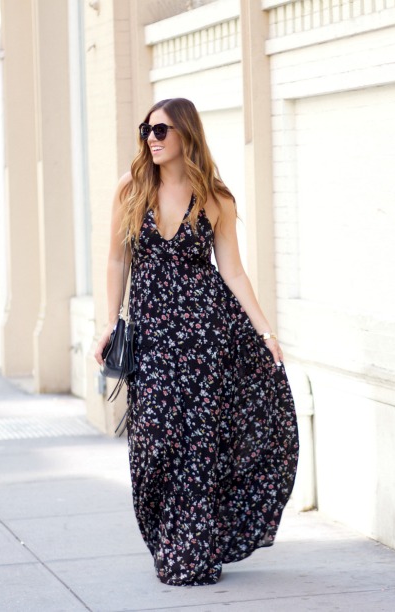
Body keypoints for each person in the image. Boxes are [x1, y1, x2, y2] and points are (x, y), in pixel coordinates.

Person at [94, 97, 299, 586]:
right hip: (151, 336)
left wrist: (265, 331)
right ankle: (170, 533)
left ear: (187, 133)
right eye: (147, 130)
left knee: (198, 443)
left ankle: (192, 545)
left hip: (206, 334)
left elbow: (232, 270)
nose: (152, 139)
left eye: (162, 130)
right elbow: (117, 261)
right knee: (153, 442)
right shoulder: (131, 189)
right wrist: (109, 321)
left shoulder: (215, 197)